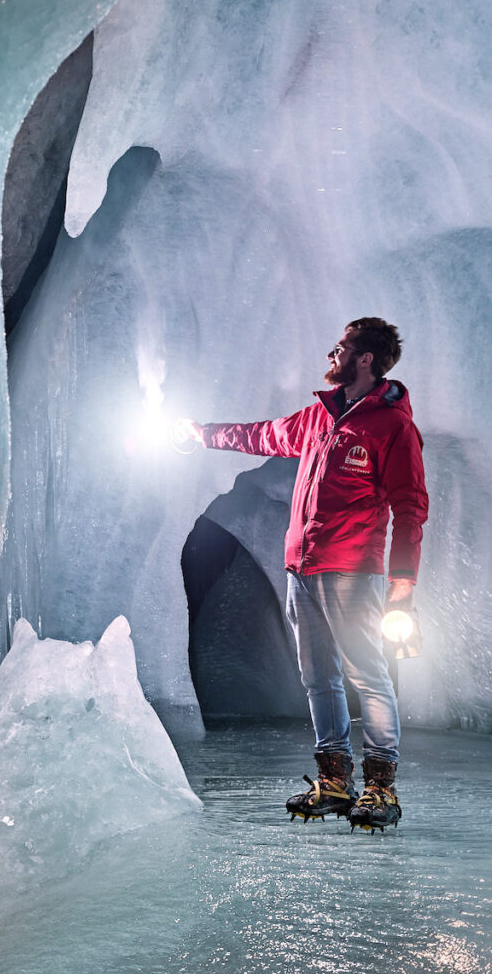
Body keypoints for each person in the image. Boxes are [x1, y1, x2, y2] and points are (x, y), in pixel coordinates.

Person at [177, 316, 428, 828]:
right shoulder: (319, 417)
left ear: (365, 358)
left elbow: (410, 507)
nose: (331, 356)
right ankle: (335, 782)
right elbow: (265, 435)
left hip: (352, 571)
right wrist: (202, 434)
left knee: (368, 676)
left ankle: (381, 788)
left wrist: (402, 583)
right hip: (302, 568)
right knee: (317, 677)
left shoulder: (392, 427)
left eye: (341, 348)